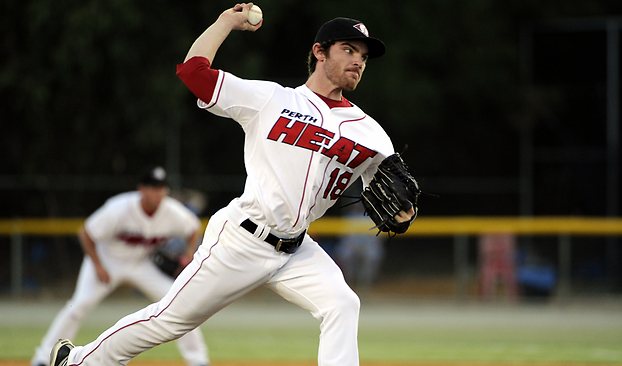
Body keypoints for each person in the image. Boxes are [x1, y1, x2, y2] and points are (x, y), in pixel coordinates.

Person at [50, 4, 415, 365]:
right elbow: (194, 73)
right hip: (242, 239)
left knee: (342, 303)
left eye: (364, 56)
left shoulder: (370, 132)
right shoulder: (273, 100)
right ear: (319, 52)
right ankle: (79, 360)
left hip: (297, 248)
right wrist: (225, 21)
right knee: (169, 321)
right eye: (348, 50)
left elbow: (391, 194)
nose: (358, 61)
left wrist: (403, 214)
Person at [35, 166, 210, 366]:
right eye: (153, 187)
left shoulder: (172, 211)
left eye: (161, 188)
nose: (158, 192)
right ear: (141, 189)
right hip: (107, 260)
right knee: (78, 305)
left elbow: (193, 228)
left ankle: (198, 361)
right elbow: (86, 233)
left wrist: (188, 254)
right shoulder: (119, 208)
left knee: (180, 304)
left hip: (140, 264)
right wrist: (98, 266)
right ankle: (42, 357)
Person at [335, 203, 385, 292]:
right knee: (344, 255)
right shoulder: (349, 217)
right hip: (352, 245)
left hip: (368, 246)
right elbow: (344, 238)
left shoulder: (374, 218)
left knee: (371, 256)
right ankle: (348, 284)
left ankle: (364, 286)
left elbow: (377, 240)